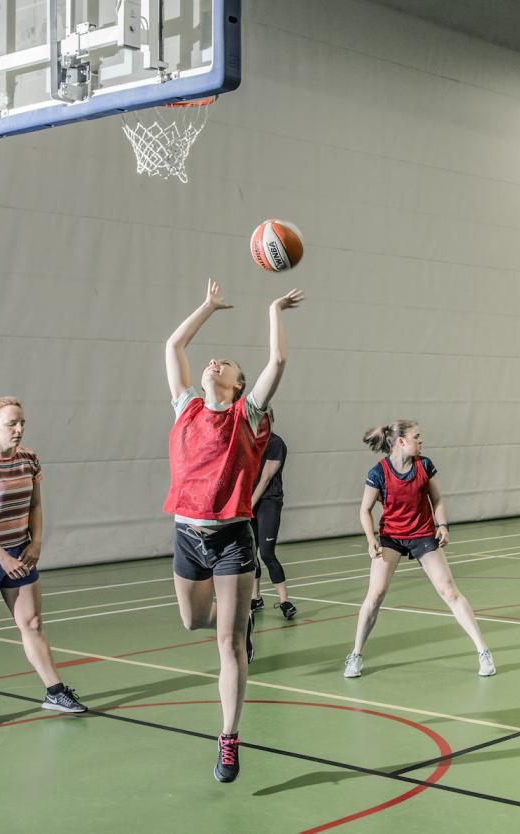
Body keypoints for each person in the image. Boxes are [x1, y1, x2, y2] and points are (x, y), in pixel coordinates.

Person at [163, 278, 303, 782]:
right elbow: (173, 346)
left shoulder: (248, 415)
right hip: (187, 534)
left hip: (230, 539)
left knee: (228, 643)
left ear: (239, 385)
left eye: (225, 364)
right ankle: (236, 618)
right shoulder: (187, 408)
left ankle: (228, 738)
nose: (213, 363)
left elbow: (278, 361)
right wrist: (207, 307)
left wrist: (273, 310)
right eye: (212, 361)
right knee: (192, 622)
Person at [0, 396, 87, 730]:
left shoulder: (29, 459)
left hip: (20, 551)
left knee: (32, 623)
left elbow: (35, 505)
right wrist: (2, 558)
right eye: (11, 423)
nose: (18, 429)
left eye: (22, 423)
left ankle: (55, 691)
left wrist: (36, 542)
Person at [344, 420, 494, 679]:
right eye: (417, 436)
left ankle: (483, 652)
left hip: (422, 534)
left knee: (449, 591)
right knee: (375, 594)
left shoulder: (424, 465)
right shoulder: (378, 472)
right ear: (402, 441)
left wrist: (442, 525)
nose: (421, 440)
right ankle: (356, 654)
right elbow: (365, 509)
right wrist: (370, 539)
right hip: (391, 537)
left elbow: (437, 500)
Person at [250, 430, 296, 620]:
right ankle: (255, 598)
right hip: (247, 503)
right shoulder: (246, 439)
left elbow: (266, 478)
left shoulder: (275, 443)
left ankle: (285, 602)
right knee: (250, 553)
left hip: (268, 502)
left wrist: (249, 505)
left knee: (267, 553)